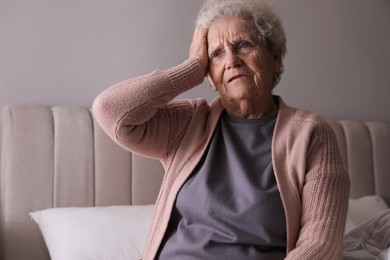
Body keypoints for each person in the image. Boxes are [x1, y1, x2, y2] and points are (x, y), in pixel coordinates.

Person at [93, 0, 350, 259]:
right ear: (210, 76)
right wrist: (191, 68)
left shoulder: (311, 134)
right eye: (216, 54)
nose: (231, 61)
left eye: (244, 45)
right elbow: (110, 111)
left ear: (276, 58)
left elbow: (320, 245)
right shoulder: (188, 123)